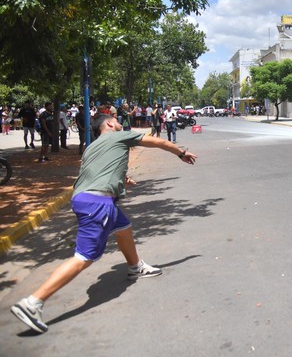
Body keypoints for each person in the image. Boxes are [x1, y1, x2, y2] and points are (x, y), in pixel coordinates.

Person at [10, 113, 197, 334]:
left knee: (123, 227)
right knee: (84, 257)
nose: (120, 123)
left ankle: (135, 266)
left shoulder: (92, 147)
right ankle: (33, 302)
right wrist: (181, 153)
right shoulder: (120, 136)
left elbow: (96, 170)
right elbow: (158, 141)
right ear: (109, 124)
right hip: (98, 203)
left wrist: (122, 178)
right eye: (116, 120)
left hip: (83, 198)